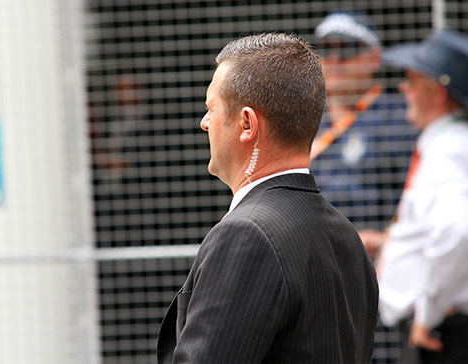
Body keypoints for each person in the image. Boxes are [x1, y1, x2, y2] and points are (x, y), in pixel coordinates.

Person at [157, 33, 379, 364]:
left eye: (211, 108)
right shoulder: (346, 237)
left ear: (247, 123)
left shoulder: (246, 236)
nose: (205, 123)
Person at [362, 29, 468, 363]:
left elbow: (457, 230)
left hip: (442, 332)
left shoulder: (446, 151)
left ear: (437, 93)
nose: (403, 88)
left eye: (411, 79)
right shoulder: (448, 142)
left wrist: (428, 314)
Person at [311, 11, 417, 251]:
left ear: (374, 57)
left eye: (348, 49)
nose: (335, 59)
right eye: (326, 50)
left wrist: (383, 242)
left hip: (381, 269)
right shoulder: (304, 122)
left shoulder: (404, 121)